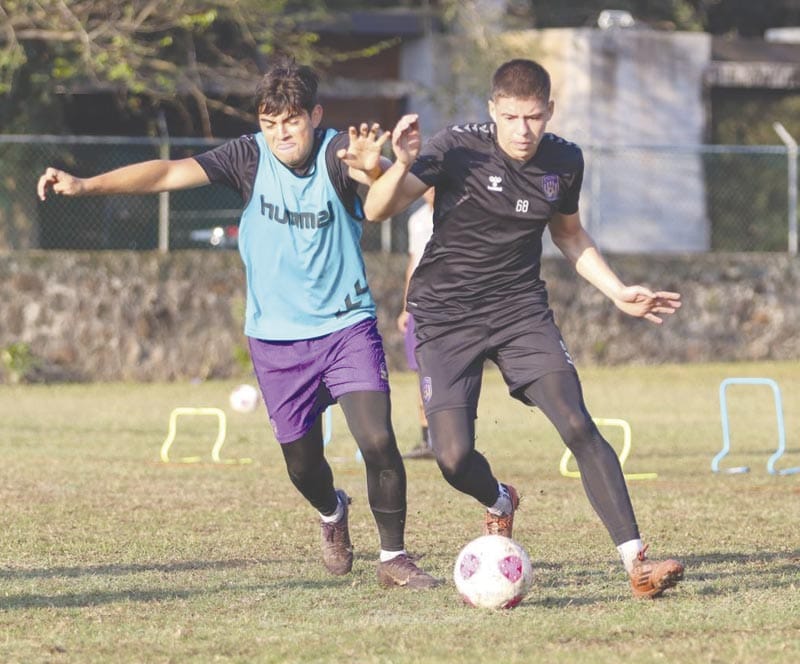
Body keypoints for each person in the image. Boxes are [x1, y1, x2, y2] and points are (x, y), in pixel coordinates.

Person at [37, 58, 439, 590]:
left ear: (314, 116)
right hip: (275, 338)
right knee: (302, 466)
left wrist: (380, 170)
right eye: (270, 123)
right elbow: (166, 173)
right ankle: (331, 511)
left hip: (346, 326)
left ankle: (394, 558)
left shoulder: (340, 151)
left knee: (378, 440)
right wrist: (86, 185)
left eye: (291, 122)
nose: (280, 135)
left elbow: (383, 207)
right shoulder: (247, 156)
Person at [364, 58, 684, 599]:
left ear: (549, 112)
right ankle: (499, 500)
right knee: (452, 457)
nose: (522, 129)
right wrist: (400, 164)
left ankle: (637, 564)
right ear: (493, 110)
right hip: (443, 318)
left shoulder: (564, 160)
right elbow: (376, 210)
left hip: (519, 311)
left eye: (533, 117)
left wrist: (616, 290)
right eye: (510, 116)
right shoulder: (453, 148)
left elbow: (570, 236)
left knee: (577, 423)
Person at [397, 187, 435, 459]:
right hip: (419, 306)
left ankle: (451, 436)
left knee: (443, 372)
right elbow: (412, 263)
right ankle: (427, 440)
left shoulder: (457, 212)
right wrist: (405, 308)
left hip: (447, 305)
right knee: (421, 373)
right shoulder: (417, 219)